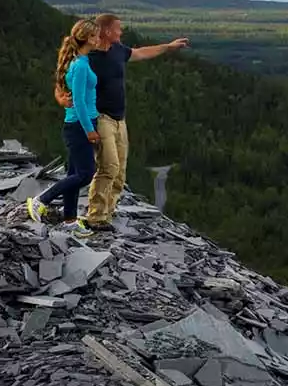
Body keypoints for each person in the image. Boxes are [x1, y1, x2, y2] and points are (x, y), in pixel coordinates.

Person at [81, 13, 190, 231]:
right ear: (106, 31)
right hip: (101, 119)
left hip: (120, 120)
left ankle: (107, 214)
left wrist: (168, 47)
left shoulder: (118, 51)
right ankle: (95, 217)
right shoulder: (88, 59)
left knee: (120, 171)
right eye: (118, 29)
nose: (121, 33)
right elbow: (74, 87)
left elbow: (141, 53)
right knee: (108, 166)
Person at [28, 19, 101, 231]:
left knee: (73, 174)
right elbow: (78, 101)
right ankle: (42, 200)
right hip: (80, 125)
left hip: (80, 123)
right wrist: (90, 130)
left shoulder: (82, 61)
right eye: (95, 36)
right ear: (86, 38)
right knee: (86, 174)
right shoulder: (79, 65)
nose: (98, 39)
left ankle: (69, 221)